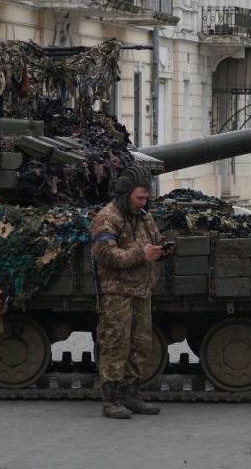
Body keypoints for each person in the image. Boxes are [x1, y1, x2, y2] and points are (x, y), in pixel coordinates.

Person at [90, 164, 166, 419]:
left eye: (146, 198)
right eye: (139, 197)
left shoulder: (143, 216)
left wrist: (163, 250)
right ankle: (111, 399)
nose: (143, 202)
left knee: (140, 344)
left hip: (142, 291)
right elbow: (104, 253)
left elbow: (155, 239)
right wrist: (140, 254)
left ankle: (131, 395)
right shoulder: (108, 217)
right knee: (115, 344)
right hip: (117, 293)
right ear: (126, 195)